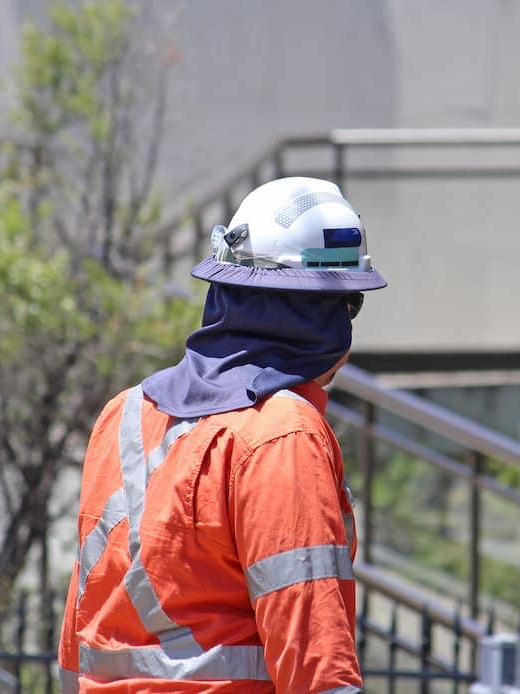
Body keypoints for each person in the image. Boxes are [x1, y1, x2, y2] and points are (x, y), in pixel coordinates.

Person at [57, 177, 387, 693]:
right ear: (321, 313)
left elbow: (81, 624)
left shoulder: (124, 412)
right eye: (349, 304)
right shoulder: (283, 435)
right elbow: (312, 654)